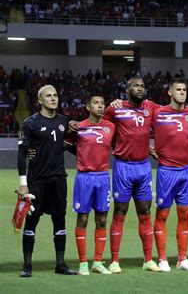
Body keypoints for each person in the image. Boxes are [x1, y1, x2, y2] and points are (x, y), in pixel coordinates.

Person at [103, 77, 160, 273]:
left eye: (143, 86)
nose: (140, 88)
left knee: (145, 212)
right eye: (136, 85)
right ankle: (115, 260)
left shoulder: (150, 107)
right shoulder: (115, 109)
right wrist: (115, 146)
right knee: (120, 212)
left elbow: (172, 113)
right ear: (127, 89)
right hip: (123, 166)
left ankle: (148, 259)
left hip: (143, 166)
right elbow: (101, 126)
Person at [17, 84, 76, 277]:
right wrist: (23, 183)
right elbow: (22, 154)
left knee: (59, 220)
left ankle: (60, 264)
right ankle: (27, 266)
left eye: (55, 95)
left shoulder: (64, 121)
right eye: (48, 96)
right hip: (36, 181)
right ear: (40, 100)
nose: (53, 98)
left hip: (58, 179)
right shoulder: (29, 123)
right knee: (32, 221)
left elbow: (72, 145)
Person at [64, 94, 116, 275]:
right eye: (96, 103)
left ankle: (98, 262)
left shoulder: (111, 127)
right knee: (83, 219)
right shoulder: (79, 127)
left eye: (103, 103)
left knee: (102, 219)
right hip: (84, 177)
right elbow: (64, 145)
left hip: (103, 177)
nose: (100, 106)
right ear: (88, 107)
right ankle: (83, 263)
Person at [152, 78, 188, 272]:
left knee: (185, 215)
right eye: (178, 89)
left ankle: (182, 259)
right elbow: (135, 130)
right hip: (167, 171)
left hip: (187, 171)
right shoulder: (158, 112)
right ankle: (162, 258)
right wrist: (148, 147)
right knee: (162, 214)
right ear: (170, 92)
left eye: (184, 90)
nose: (182, 92)